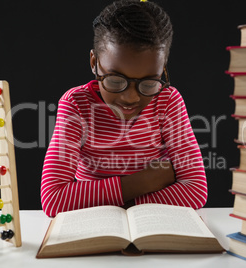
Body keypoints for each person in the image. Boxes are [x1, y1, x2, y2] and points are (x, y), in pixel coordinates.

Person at [41, 0, 207, 217]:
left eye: (149, 83)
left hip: (147, 226)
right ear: (94, 62)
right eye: (115, 80)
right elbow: (53, 199)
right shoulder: (76, 104)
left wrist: (124, 206)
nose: (131, 97)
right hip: (97, 227)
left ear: (162, 71)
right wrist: (143, 182)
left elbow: (195, 191)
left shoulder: (167, 101)